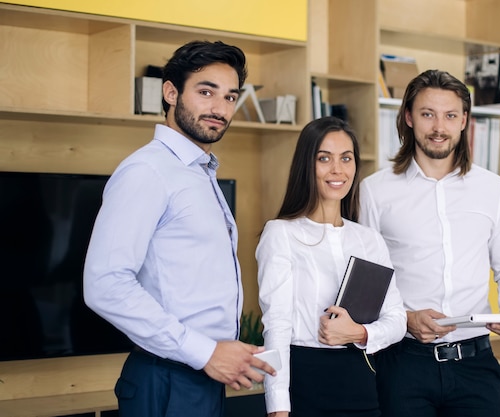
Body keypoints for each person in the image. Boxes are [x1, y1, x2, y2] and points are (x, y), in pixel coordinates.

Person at [83, 40, 275, 417]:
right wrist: (205, 352)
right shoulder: (148, 171)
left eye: (230, 97)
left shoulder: (198, 172)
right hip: (166, 379)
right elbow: (105, 283)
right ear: (170, 92)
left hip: (200, 376)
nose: (220, 109)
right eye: (206, 92)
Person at [359, 69, 500, 417]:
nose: (439, 127)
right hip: (402, 364)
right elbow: (365, 285)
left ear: (464, 120)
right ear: (408, 117)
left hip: (476, 364)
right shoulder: (375, 190)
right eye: (427, 114)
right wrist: (405, 319)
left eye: (450, 115)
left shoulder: (493, 188)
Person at [256, 116, 407, 417]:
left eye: (346, 159)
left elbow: (397, 320)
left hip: (361, 382)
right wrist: (277, 408)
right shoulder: (281, 234)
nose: (337, 170)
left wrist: (359, 333)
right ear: (306, 165)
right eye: (324, 158)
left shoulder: (369, 240)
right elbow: (276, 328)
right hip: (304, 382)